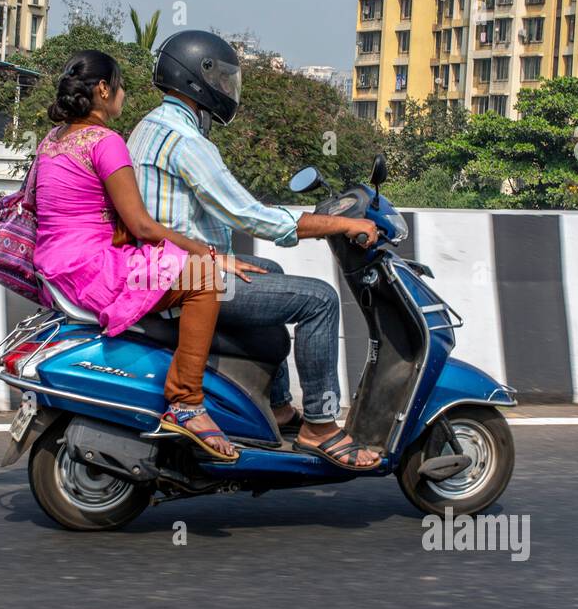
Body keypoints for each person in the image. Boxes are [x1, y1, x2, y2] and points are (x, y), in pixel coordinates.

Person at [126, 30, 381, 471]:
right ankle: (320, 426)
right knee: (319, 299)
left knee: (270, 269)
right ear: (196, 78)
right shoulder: (186, 142)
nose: (227, 89)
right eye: (222, 79)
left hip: (163, 266)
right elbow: (251, 217)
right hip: (184, 279)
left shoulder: (150, 126)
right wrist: (340, 223)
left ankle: (278, 405)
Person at [32, 50, 252, 461]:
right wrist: (207, 253)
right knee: (203, 279)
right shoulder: (106, 142)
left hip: (53, 266)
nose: (124, 95)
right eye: (119, 87)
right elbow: (143, 226)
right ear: (102, 90)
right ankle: (187, 402)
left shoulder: (51, 141)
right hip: (92, 269)